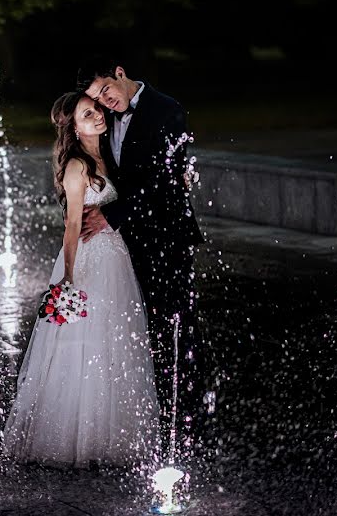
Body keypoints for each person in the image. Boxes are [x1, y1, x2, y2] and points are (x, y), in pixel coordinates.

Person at [3, 92, 159, 467]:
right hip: (89, 261)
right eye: (87, 114)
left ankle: (116, 432)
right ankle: (76, 435)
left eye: (96, 110)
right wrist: (68, 278)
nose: (97, 116)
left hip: (116, 258)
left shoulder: (107, 156)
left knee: (116, 340)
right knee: (83, 345)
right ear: (74, 126)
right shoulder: (77, 165)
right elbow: (72, 225)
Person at [75, 57, 206, 460]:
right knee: (138, 326)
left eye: (105, 91)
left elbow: (165, 181)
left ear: (119, 72)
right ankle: (149, 411)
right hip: (126, 242)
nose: (105, 102)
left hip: (166, 237)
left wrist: (109, 216)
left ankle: (190, 418)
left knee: (176, 324)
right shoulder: (108, 117)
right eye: (96, 99)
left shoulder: (166, 109)